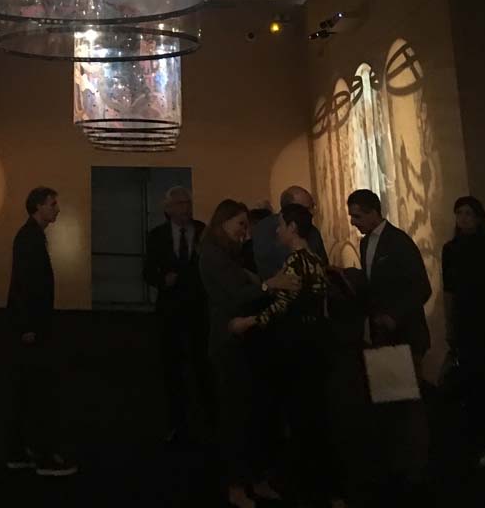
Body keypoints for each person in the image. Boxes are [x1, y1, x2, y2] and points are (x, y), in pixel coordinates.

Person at [230, 204, 341, 507]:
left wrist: (248, 322)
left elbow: (281, 306)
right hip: (315, 345)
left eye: (281, 225)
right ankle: (327, 486)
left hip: (295, 347)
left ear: (292, 228)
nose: (277, 231)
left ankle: (306, 482)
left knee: (297, 414)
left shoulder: (294, 262)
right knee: (315, 414)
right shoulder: (315, 260)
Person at [199, 199, 298, 508]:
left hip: (242, 338)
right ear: (224, 221)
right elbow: (233, 295)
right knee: (236, 416)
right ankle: (237, 484)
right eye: (240, 224)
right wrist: (269, 285)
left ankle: (251, 478)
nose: (245, 232)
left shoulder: (227, 252)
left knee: (250, 413)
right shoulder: (214, 254)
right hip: (230, 341)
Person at [5, 187, 76, 477]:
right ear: (38, 206)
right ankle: (41, 455)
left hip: (32, 325)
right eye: (52, 204)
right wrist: (27, 327)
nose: (57, 209)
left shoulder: (31, 236)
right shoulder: (29, 238)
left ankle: (21, 451)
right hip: (32, 328)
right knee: (36, 389)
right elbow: (24, 284)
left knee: (29, 388)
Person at [144, 186, 210, 443]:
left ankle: (207, 418)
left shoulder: (203, 231)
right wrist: (162, 279)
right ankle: (177, 421)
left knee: (202, 363)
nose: (186, 208)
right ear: (168, 209)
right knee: (172, 365)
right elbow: (147, 270)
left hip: (199, 307)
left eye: (188, 203)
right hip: (170, 309)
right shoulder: (157, 236)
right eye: (180, 204)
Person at [441, 195, 485, 469]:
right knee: (471, 378)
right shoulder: (450, 249)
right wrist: (450, 324)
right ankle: (474, 437)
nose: (463, 219)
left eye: (468, 213)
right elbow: (449, 290)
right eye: (459, 213)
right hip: (465, 321)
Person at [346, 188, 431, 360]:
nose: (353, 222)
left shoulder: (399, 241)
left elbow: (421, 287)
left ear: (373, 213)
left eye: (357, 216)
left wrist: (394, 316)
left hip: (405, 333)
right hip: (381, 335)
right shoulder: (365, 243)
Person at [251, 185, 328, 282]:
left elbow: (323, 266)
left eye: (313, 206)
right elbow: (268, 273)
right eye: (307, 209)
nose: (312, 212)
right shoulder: (264, 230)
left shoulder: (313, 232)